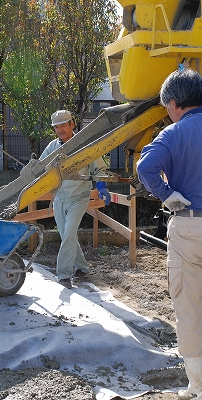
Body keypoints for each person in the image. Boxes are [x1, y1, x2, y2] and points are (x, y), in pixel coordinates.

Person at [136, 68, 202, 400]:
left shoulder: (173, 134)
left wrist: (167, 195)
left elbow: (145, 167)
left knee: (189, 306)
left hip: (190, 226)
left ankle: (197, 386)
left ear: (174, 103)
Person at [40, 109, 110, 289]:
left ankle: (64, 274)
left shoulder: (85, 145)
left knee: (69, 234)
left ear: (72, 124)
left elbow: (99, 169)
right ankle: (83, 268)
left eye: (63, 126)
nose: (60, 130)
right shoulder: (52, 147)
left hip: (79, 197)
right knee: (66, 236)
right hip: (60, 197)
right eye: (56, 127)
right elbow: (41, 168)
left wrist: (101, 187)